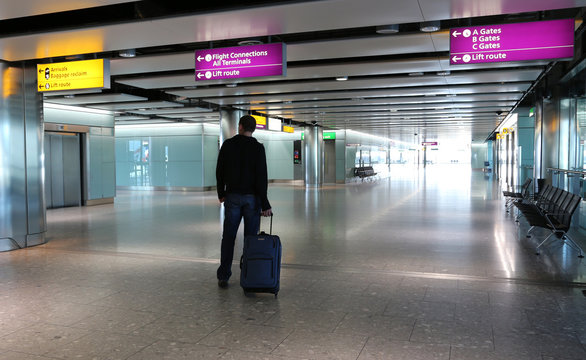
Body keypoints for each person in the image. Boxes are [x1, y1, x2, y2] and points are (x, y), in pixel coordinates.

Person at [216, 114, 273, 288]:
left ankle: (224, 275)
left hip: (232, 196)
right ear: (253, 129)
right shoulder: (258, 148)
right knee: (251, 239)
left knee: (229, 237)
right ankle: (249, 275)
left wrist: (221, 193)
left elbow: (220, 170)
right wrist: (264, 203)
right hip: (252, 199)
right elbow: (262, 177)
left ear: (240, 126)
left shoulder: (228, 145)